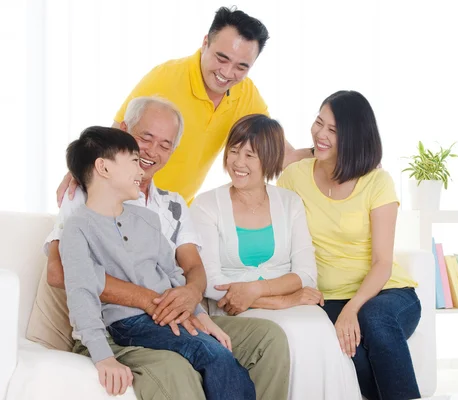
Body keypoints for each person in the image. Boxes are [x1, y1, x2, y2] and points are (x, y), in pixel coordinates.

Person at [45, 96, 290, 400]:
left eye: (165, 144)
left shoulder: (159, 212)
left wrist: (195, 309)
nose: (149, 153)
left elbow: (183, 270)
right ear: (123, 134)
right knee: (206, 354)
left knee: (264, 340)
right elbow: (64, 276)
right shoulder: (79, 205)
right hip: (123, 324)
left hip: (168, 315)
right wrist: (150, 301)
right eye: (143, 139)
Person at [56, 6, 311, 207]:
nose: (227, 72)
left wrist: (331, 147)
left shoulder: (246, 94)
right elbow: (116, 136)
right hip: (128, 202)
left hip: (174, 214)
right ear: (205, 43)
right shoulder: (166, 78)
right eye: (222, 58)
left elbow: (281, 155)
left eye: (241, 66)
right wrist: (82, 169)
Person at [190, 114, 362, 400]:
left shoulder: (289, 202)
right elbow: (212, 283)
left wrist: (259, 290)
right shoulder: (207, 205)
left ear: (268, 160)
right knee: (289, 334)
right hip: (236, 312)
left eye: (250, 155)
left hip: (277, 302)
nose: (238, 162)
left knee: (319, 328)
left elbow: (306, 275)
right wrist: (286, 300)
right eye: (233, 151)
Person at [278, 91, 422, 400]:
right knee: (353, 358)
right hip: (327, 299)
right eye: (319, 123)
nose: (321, 134)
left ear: (354, 138)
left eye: (333, 130)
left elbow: (383, 262)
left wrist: (353, 308)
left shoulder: (377, 182)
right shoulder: (294, 177)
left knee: (374, 319)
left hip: (387, 293)